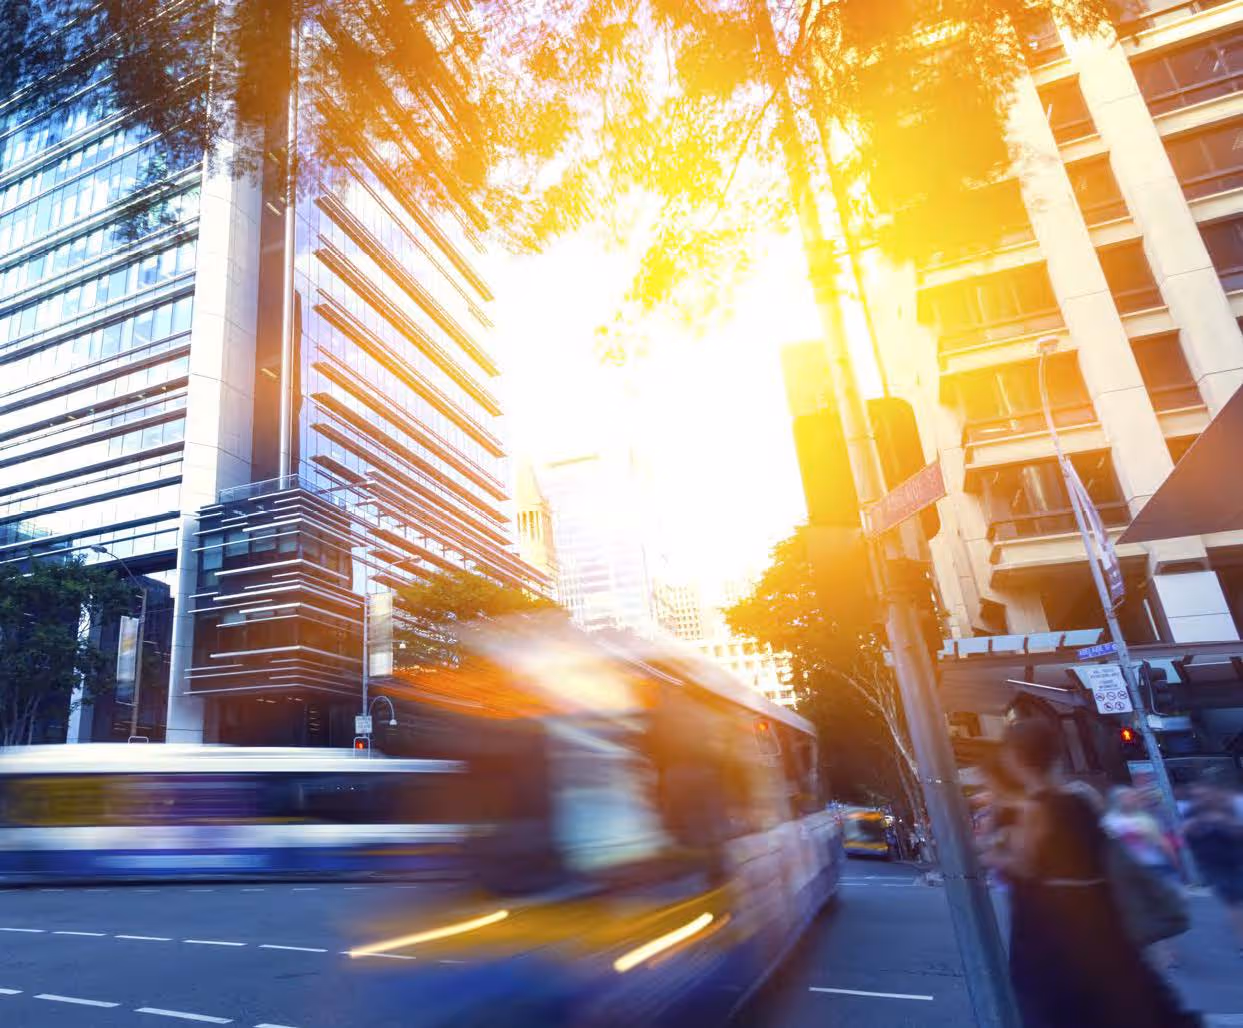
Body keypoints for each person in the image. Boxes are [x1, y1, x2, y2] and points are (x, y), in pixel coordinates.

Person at [984, 717, 1199, 1028]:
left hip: (1052, 937)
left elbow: (1023, 865)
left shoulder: (1036, 809)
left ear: (1015, 758)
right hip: (1102, 925)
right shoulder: (1081, 800)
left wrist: (993, 852)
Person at [1103, 786, 1186, 969]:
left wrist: (1174, 863)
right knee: (1140, 911)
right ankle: (1155, 953)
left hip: (1153, 868)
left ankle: (1167, 952)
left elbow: (1161, 842)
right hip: (1128, 874)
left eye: (1133, 796)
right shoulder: (1109, 821)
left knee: (1159, 909)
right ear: (1117, 800)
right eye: (1127, 797)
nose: (1131, 799)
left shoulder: (1145, 819)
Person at [1183, 783, 1243, 947]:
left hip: (1237, 860)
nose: (1201, 799)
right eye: (1196, 796)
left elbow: (1238, 832)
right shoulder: (1191, 814)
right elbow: (1188, 836)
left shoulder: (1226, 809)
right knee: (1233, 902)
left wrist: (1223, 823)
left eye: (1204, 795)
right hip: (1213, 866)